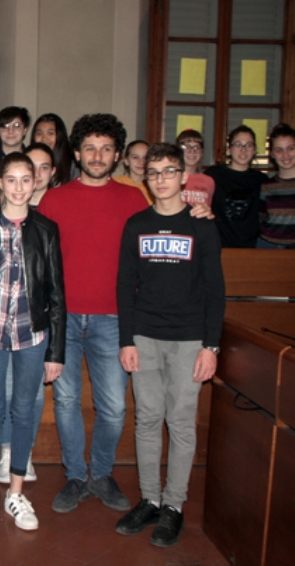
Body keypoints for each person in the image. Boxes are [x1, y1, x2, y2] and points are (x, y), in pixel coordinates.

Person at [37, 113, 149, 515]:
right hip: (63, 318)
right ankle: (75, 476)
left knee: (114, 407)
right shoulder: (54, 200)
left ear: (117, 154)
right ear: (77, 153)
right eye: (90, 148)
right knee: (66, 401)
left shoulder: (134, 199)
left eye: (105, 149)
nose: (97, 156)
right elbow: (40, 263)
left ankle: (100, 474)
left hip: (114, 319)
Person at [115, 142, 225, 547]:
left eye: (169, 171)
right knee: (147, 419)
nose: (161, 179)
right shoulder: (136, 224)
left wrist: (211, 346)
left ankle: (174, 506)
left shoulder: (201, 225)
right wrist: (127, 340)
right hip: (145, 336)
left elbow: (216, 288)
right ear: (147, 178)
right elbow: (124, 285)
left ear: (184, 177)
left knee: (179, 421)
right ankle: (150, 499)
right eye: (154, 172)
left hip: (189, 339)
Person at [0, 151, 66, 532]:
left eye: (26, 179)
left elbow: (57, 294)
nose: (19, 187)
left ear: (35, 182)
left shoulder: (46, 229)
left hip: (32, 333)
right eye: (11, 180)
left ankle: (17, 492)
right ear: (0, 183)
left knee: (24, 411)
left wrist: (55, 352)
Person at [206, 124, 267, 248]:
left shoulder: (262, 180)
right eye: (238, 144)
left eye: (249, 145)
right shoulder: (213, 175)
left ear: (254, 150)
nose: (243, 150)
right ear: (229, 149)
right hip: (218, 246)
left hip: (253, 248)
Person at [258, 123, 295, 248]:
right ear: (272, 154)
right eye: (279, 150)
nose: (285, 155)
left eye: (291, 148)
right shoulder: (266, 187)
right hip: (268, 246)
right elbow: (261, 217)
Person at [0, 106, 30, 181]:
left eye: (16, 126)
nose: (10, 131)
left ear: (25, 130)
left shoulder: (32, 158)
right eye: (5, 126)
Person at [31, 113, 76, 184]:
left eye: (50, 133)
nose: (44, 139)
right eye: (39, 133)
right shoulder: (26, 161)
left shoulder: (73, 166)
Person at [176, 129, 214, 207]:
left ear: (202, 152)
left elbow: (208, 209)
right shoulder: (172, 178)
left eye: (196, 147)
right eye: (186, 147)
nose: (192, 151)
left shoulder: (209, 181)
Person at [27, 142, 56, 208]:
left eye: (44, 168)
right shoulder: (7, 207)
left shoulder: (61, 206)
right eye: (32, 167)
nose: (37, 174)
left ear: (52, 171)